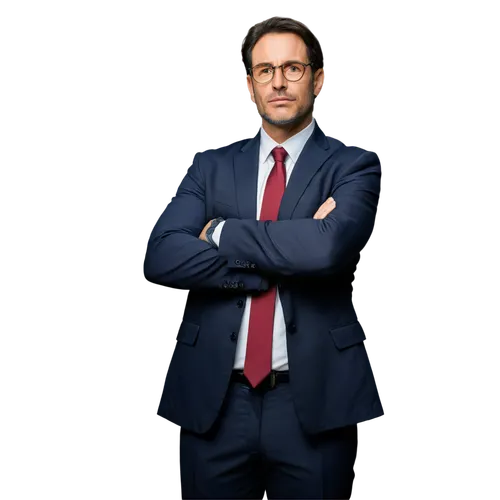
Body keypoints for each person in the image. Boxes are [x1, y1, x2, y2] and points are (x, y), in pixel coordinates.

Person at [143, 15, 385, 499]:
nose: (278, 81)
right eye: (264, 70)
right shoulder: (208, 165)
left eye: (293, 68)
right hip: (213, 400)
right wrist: (272, 263)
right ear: (247, 87)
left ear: (320, 79)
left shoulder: (353, 164)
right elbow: (162, 255)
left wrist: (221, 232)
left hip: (313, 401)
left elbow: (328, 247)